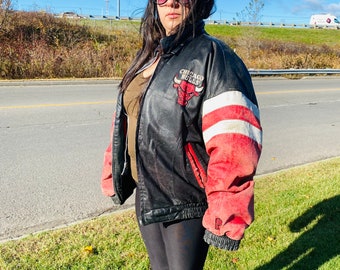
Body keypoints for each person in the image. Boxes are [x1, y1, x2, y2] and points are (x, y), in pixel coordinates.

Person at [101, 0, 263, 269]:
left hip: (185, 195)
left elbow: (234, 140)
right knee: (158, 266)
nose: (172, 2)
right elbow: (131, 119)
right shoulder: (150, 56)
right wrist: (112, 166)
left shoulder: (213, 55)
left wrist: (227, 208)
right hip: (148, 189)